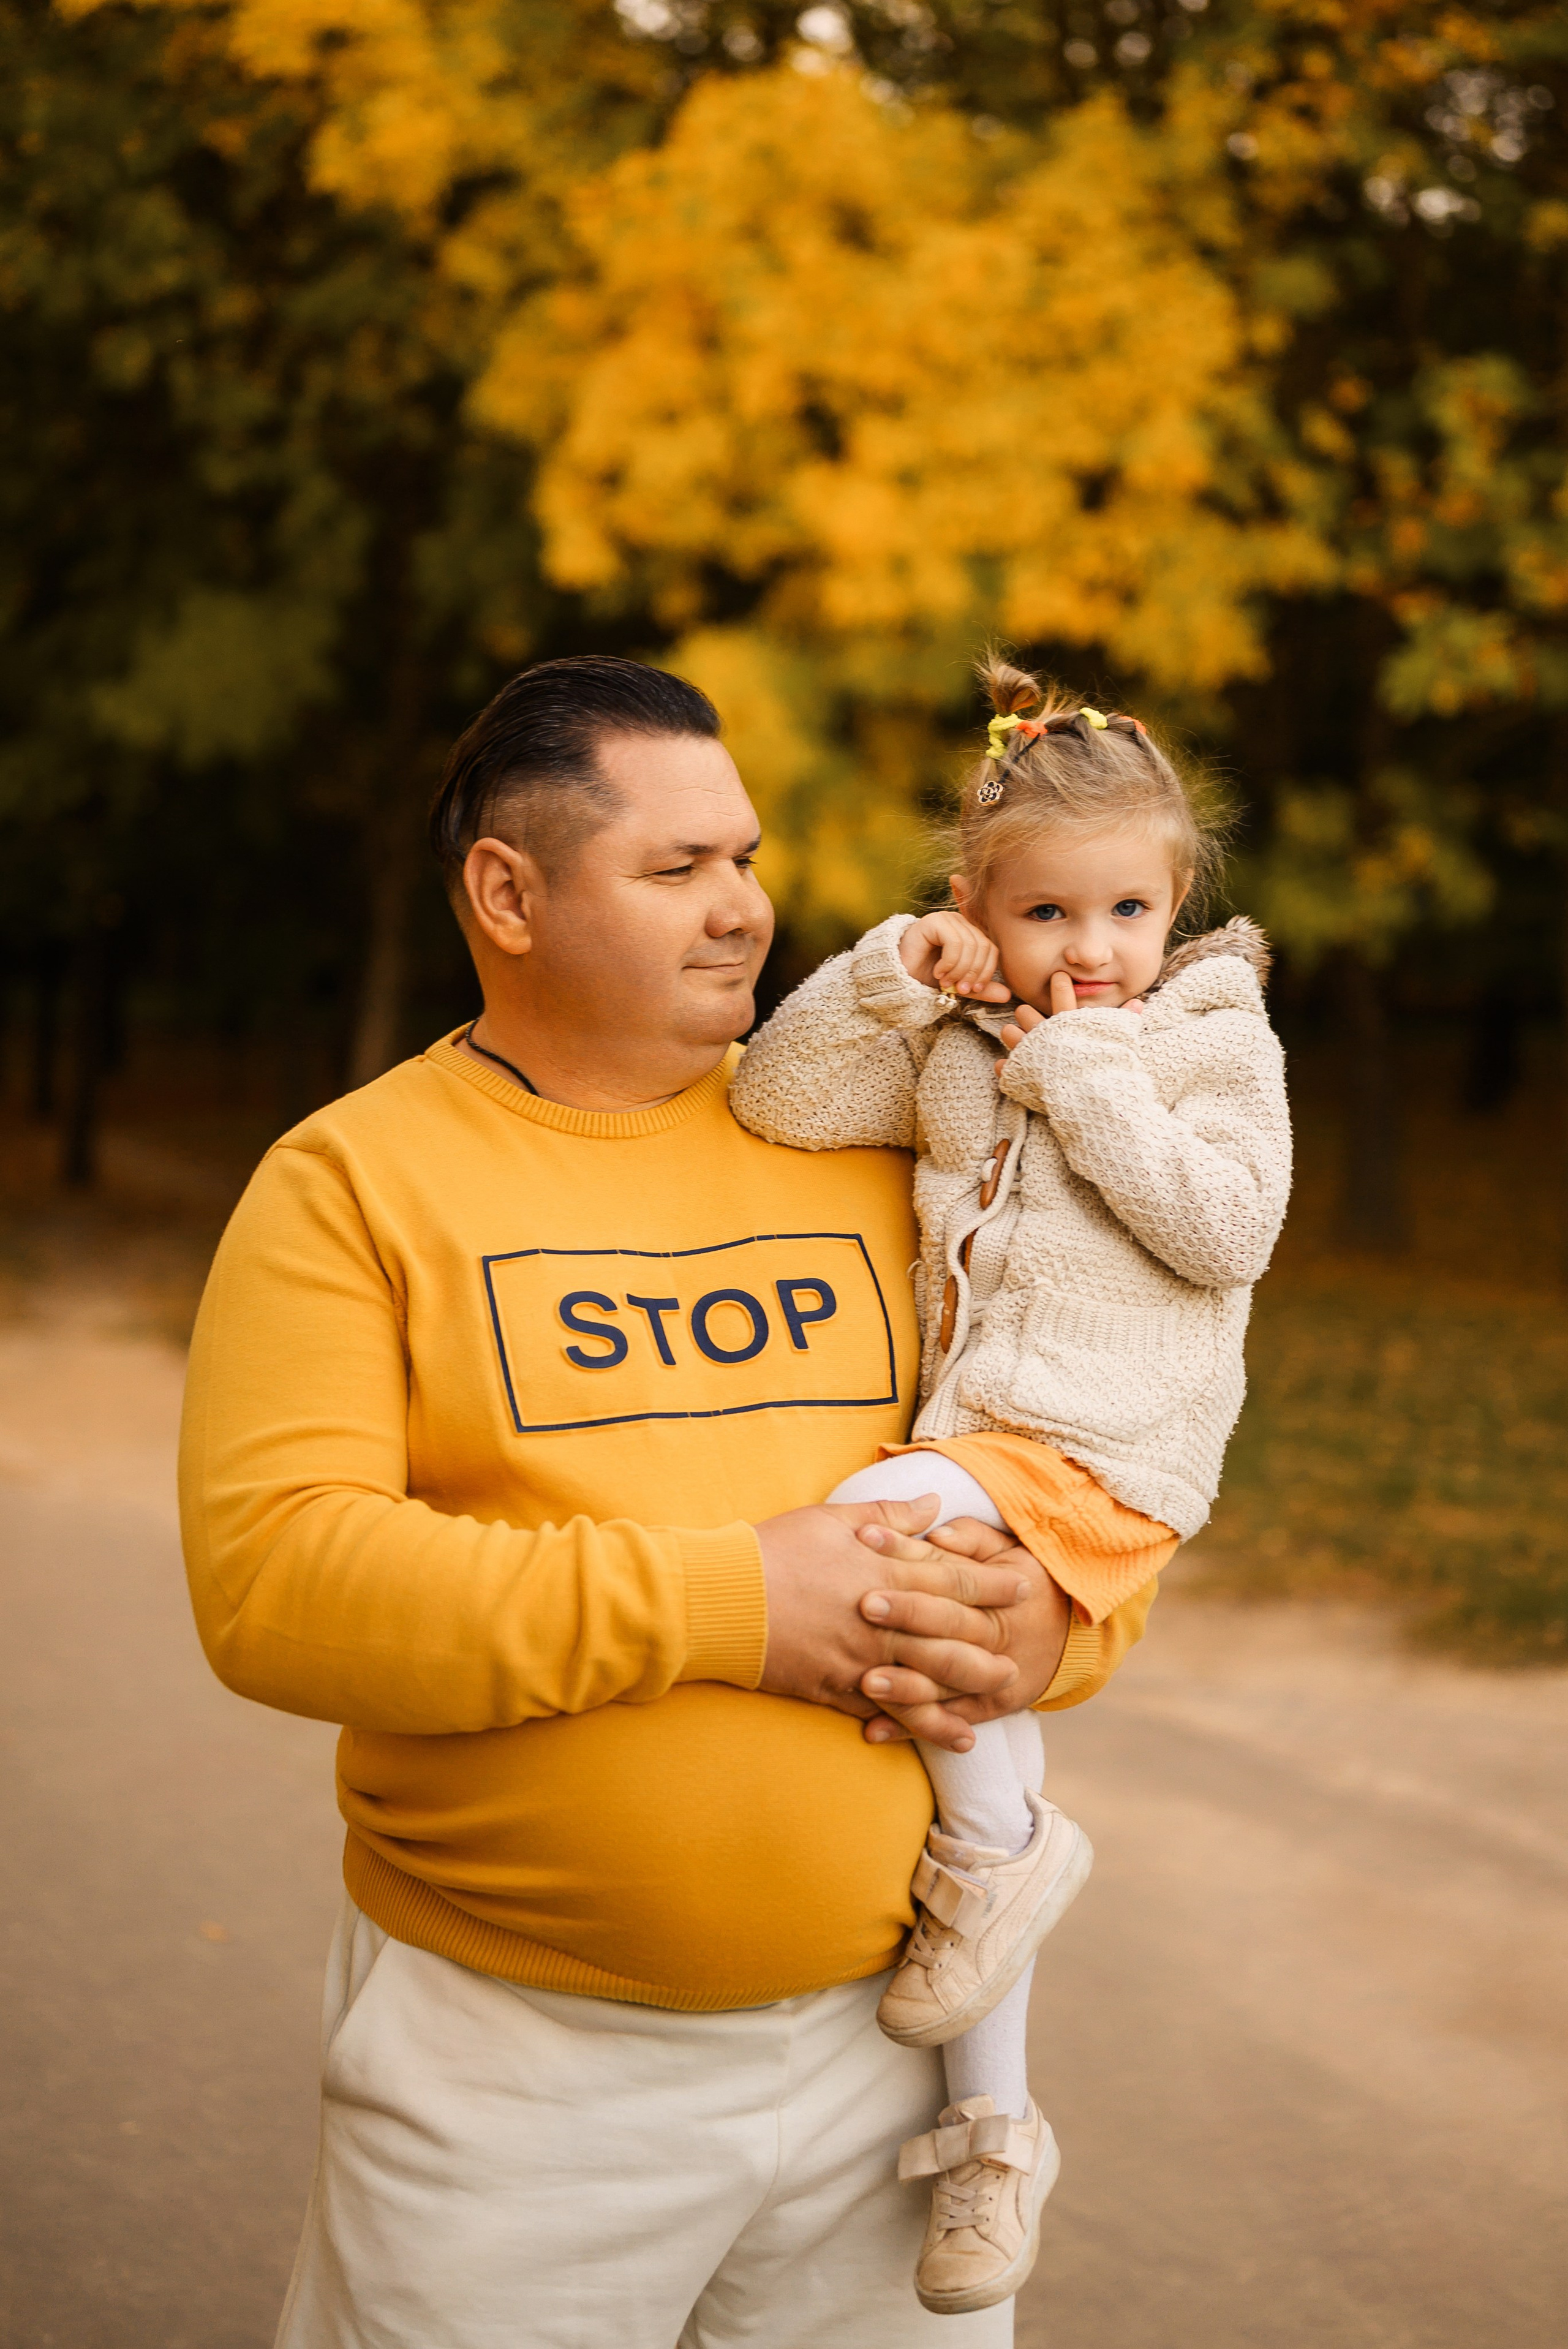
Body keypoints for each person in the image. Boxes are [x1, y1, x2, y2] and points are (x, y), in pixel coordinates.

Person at [179, 654, 1156, 2349]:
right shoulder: (351, 1182)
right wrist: (738, 1603)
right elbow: (281, 1587)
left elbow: (1085, 1438)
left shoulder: (874, 1137)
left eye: (747, 858)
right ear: (510, 894)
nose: (744, 908)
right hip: (521, 2084)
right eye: (677, 866)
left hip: (897, 2064)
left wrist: (1054, 1626)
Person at [731, 655, 1293, 2314]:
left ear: (1176, 901)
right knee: (933, 1665)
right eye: (1045, 913)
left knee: (872, 1540)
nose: (1089, 948)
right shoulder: (963, 1036)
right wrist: (894, 978)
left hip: (1106, 1447)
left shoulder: (1209, 1038)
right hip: (985, 1443)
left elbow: (1225, 1230)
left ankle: (1008, 1855)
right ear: (980, 905)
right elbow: (777, 1101)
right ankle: (992, 2133)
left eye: (1127, 908)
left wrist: (1090, 1070)